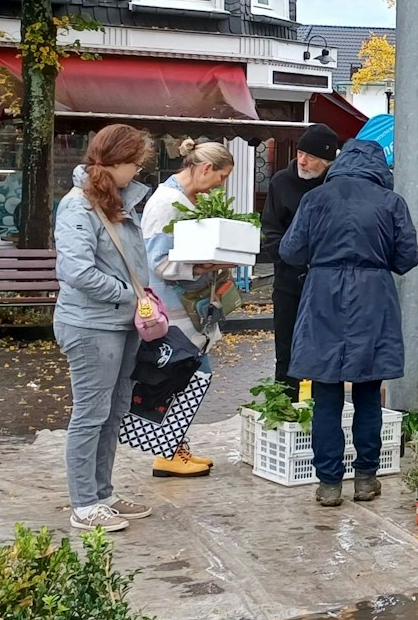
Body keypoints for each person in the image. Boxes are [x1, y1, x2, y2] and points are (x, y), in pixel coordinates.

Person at [279, 139, 418, 508]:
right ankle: (365, 478)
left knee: (326, 394)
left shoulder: (315, 199)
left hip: (323, 294)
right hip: (372, 297)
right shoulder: (391, 202)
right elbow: (407, 257)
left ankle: (328, 484)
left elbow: (290, 250)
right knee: (367, 392)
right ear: (379, 167)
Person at [53, 123, 157, 533]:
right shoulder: (77, 206)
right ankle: (84, 503)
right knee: (90, 413)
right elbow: (76, 270)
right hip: (91, 324)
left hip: (121, 320)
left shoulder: (118, 201)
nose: (137, 172)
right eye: (134, 164)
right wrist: (131, 296)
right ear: (115, 163)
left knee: (113, 413)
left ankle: (102, 493)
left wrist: (136, 297)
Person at [138, 138, 238, 478]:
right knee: (190, 376)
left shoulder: (184, 199)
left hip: (186, 310)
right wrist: (202, 267)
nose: (221, 186)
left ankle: (174, 448)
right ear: (206, 169)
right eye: (221, 177)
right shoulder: (167, 203)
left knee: (189, 377)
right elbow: (157, 262)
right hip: (174, 312)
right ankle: (169, 452)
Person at [262, 123, 339, 388]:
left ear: (328, 162)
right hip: (288, 282)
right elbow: (270, 229)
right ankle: (284, 402)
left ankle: (318, 407)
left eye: (311, 157)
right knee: (286, 348)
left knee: (323, 350)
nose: (303, 161)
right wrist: (286, 258)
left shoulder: (336, 186)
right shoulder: (281, 182)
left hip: (325, 284)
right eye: (301, 153)